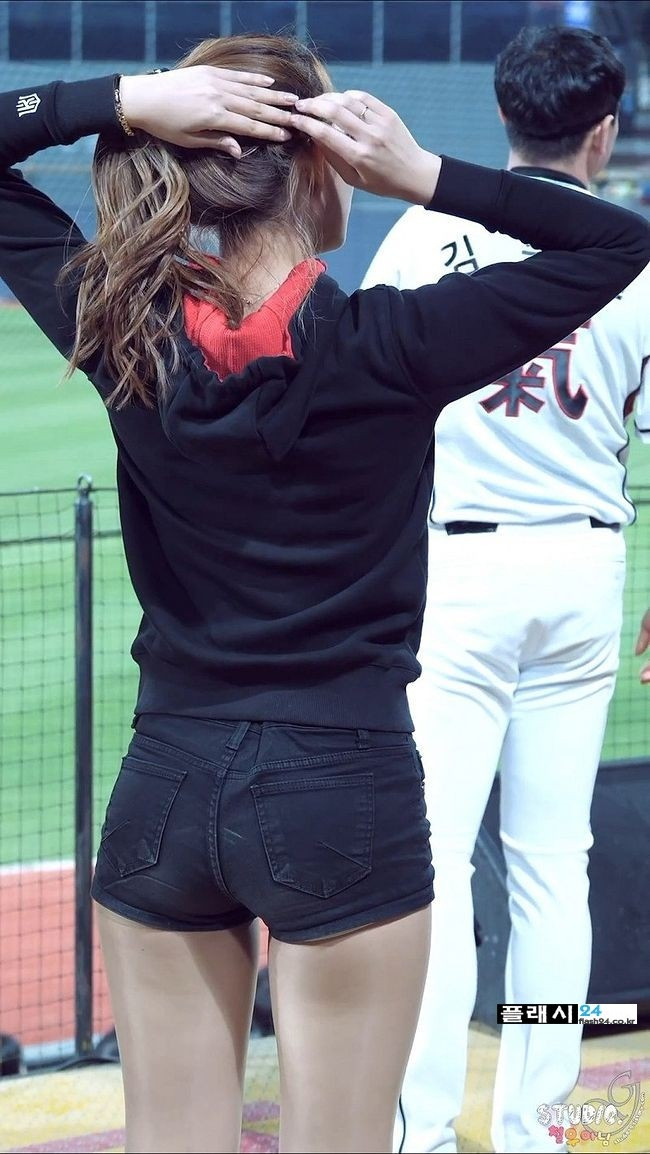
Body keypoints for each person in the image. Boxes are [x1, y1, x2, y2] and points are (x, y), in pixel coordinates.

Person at [1, 32, 648, 1154]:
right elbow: (616, 240)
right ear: (318, 166)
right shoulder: (391, 342)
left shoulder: (125, 332)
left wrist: (128, 97)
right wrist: (422, 173)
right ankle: (533, 1119)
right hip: (344, 790)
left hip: (164, 788)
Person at [361, 25, 650, 1154]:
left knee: (430, 864)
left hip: (458, 574)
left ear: (500, 117)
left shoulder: (420, 235)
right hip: (582, 571)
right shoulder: (633, 256)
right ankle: (536, 1127)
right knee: (549, 870)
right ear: (604, 133)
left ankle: (423, 1130)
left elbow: (367, 408)